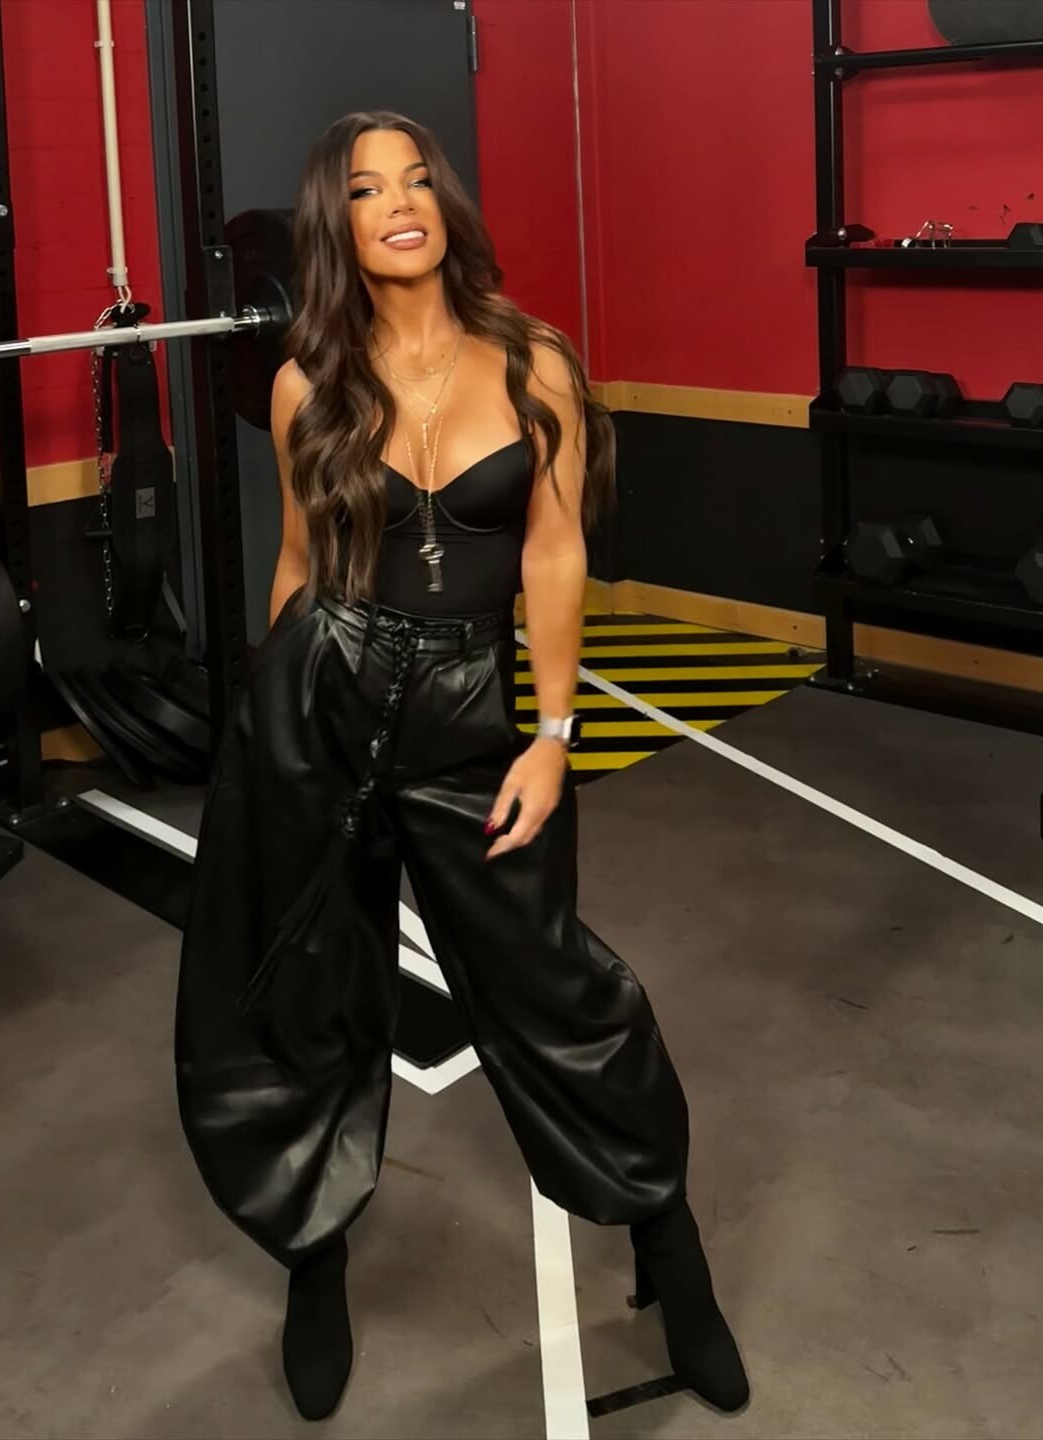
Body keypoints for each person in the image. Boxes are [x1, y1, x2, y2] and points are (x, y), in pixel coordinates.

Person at [174, 110, 748, 1423]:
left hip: (472, 710)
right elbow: (299, 567)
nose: (399, 202)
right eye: (366, 189)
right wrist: (268, 739)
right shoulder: (305, 385)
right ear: (337, 226)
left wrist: (553, 736)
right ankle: (314, 1259)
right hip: (319, 700)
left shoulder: (535, 361)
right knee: (314, 995)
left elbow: (554, 552)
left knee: (560, 992)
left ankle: (670, 1248)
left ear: (445, 205)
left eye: (417, 179)